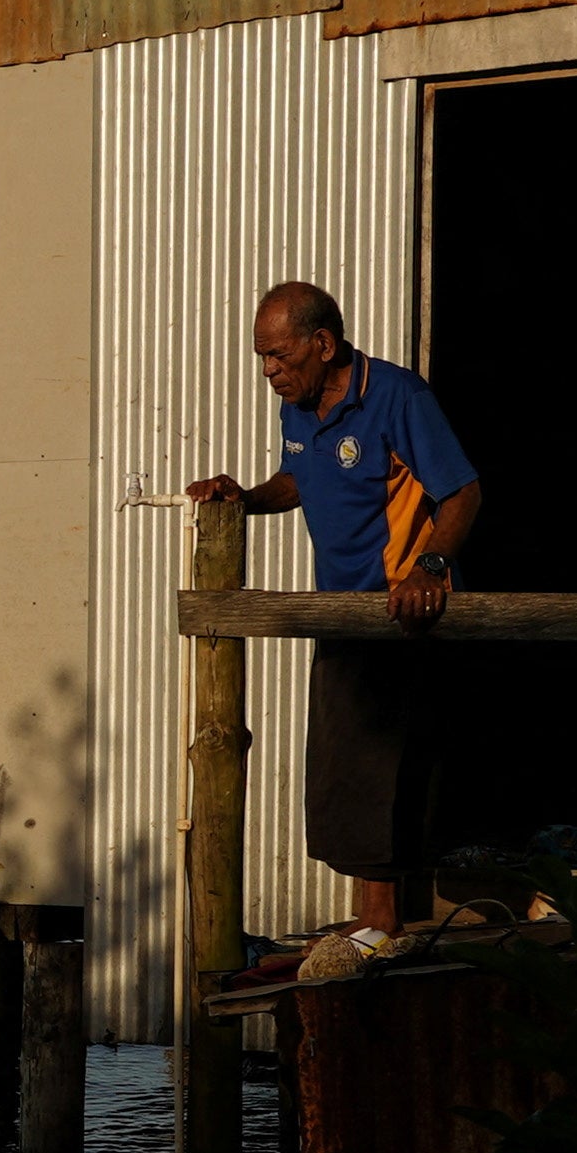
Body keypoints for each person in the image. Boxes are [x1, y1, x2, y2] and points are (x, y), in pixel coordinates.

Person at [186, 280, 483, 926]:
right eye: (261, 358)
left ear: (323, 344)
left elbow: (463, 492)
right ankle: (376, 925)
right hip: (340, 617)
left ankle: (381, 929)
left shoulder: (397, 395)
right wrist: (246, 497)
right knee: (341, 779)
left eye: (279, 356)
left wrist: (429, 568)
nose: (269, 372)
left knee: (385, 775)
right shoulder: (300, 405)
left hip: (400, 619)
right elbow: (303, 476)